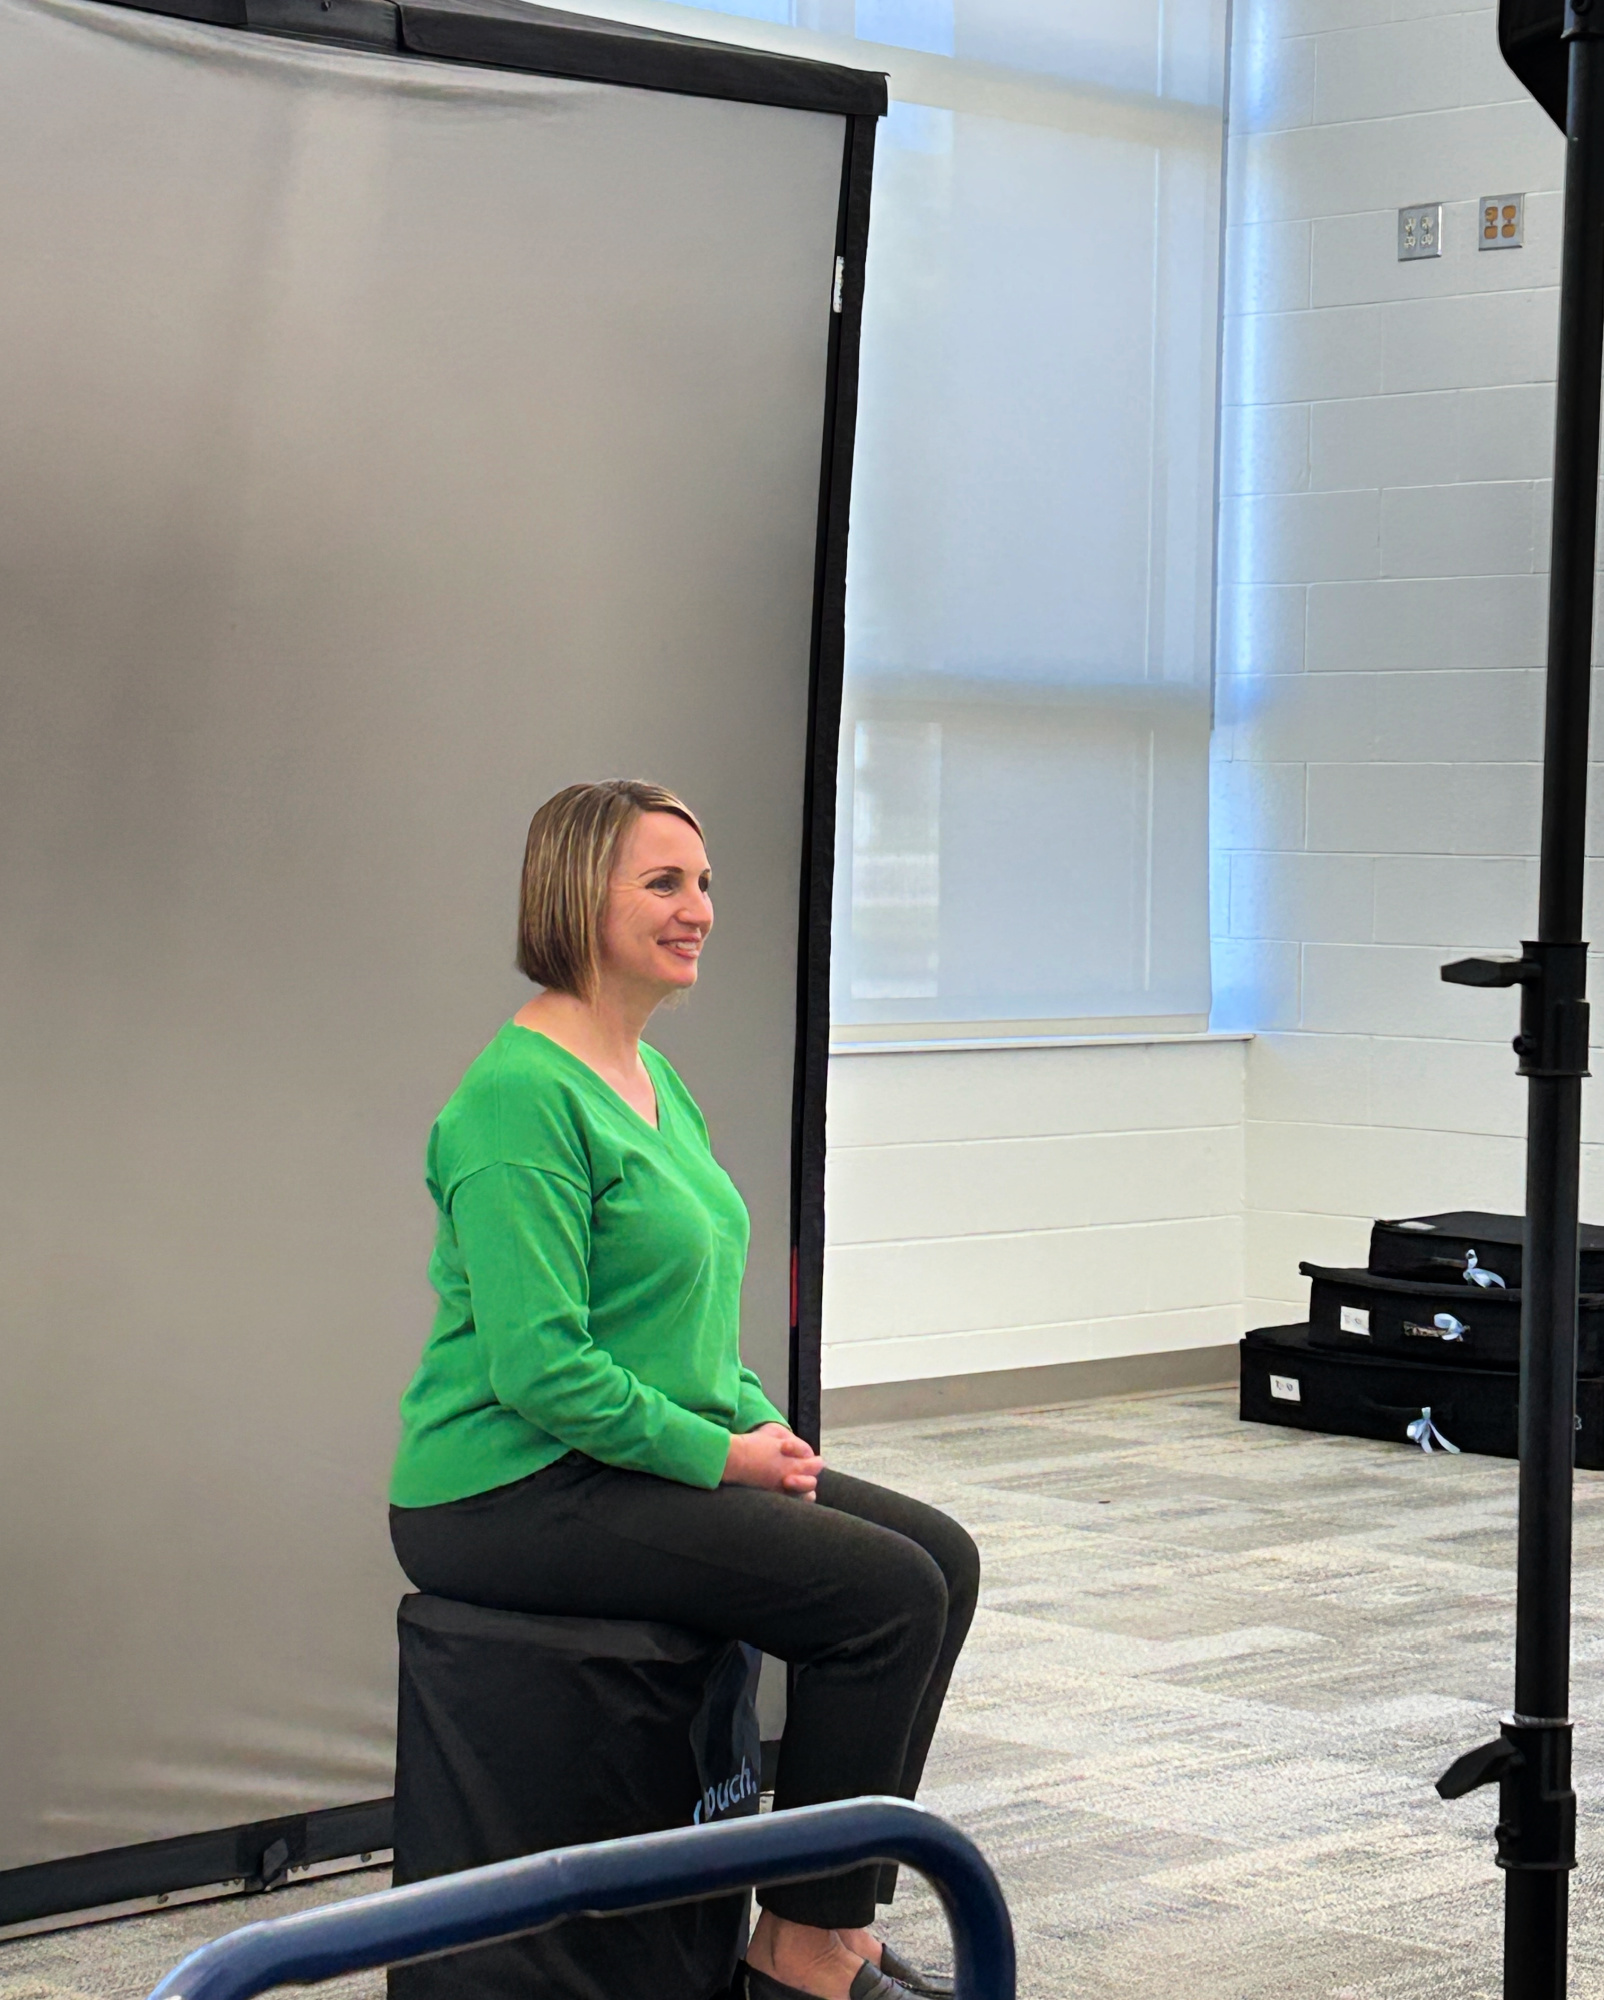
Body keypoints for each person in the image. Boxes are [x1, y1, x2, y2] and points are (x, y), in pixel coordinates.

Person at [389, 779, 980, 2000]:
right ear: (575, 899)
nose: (698, 907)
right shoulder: (517, 1097)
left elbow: (685, 1327)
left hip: (613, 1454)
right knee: (881, 1593)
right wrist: (720, 1459)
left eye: (702, 882)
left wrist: (751, 1415)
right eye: (663, 883)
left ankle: (833, 1922)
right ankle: (802, 1951)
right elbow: (540, 1367)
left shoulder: (651, 1076)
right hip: (504, 1488)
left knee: (940, 1555)